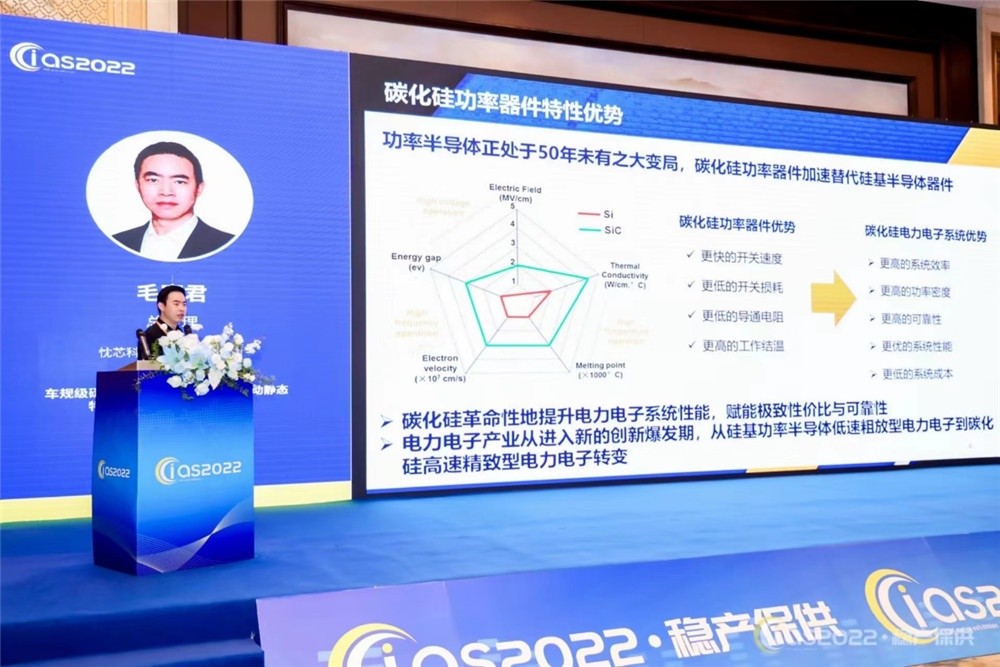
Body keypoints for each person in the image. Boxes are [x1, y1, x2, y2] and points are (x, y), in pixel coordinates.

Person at [114, 141, 233, 260]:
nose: (166, 192)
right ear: (138, 185)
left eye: (179, 182)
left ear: (199, 188)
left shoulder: (226, 245)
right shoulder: (119, 242)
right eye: (153, 180)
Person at [141, 285, 188, 359]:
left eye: (184, 304)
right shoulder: (150, 336)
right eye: (176, 304)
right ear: (161, 306)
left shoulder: (180, 332)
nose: (182, 308)